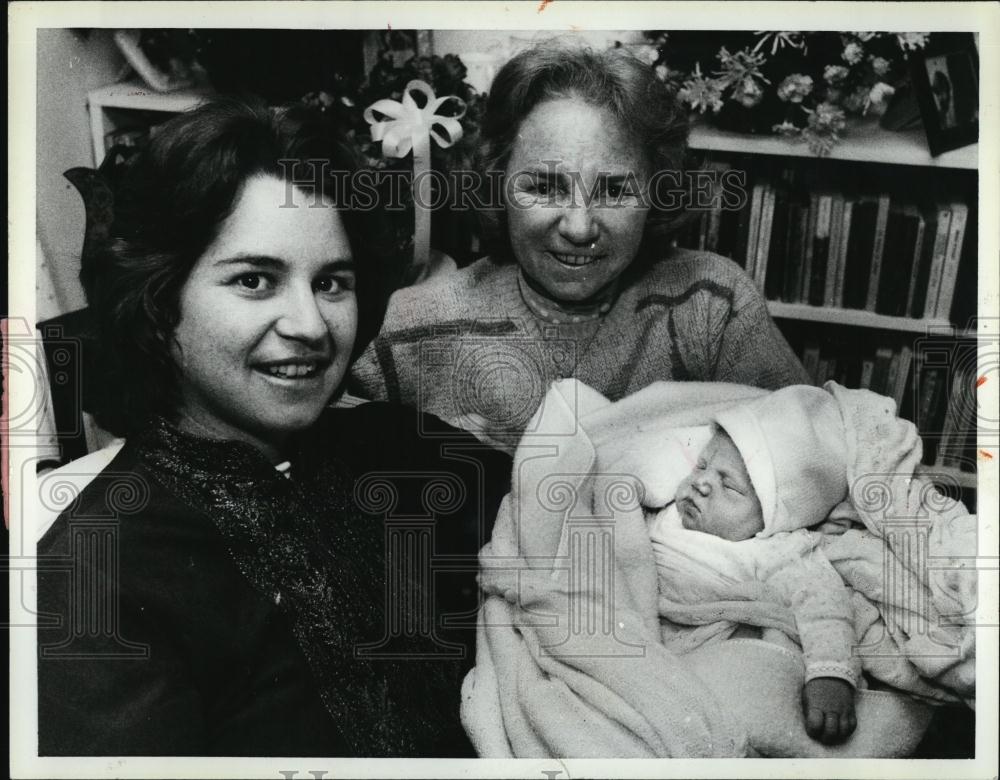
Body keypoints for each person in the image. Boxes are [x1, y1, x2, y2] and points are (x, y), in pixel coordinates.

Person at [36, 97, 511, 757]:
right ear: (158, 300)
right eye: (256, 280)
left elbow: (573, 509)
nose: (311, 325)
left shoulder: (395, 445)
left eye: (332, 283)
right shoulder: (96, 571)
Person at [350, 42, 808, 450]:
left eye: (614, 190)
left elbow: (815, 448)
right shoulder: (412, 327)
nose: (579, 227)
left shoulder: (711, 304)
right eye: (544, 188)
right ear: (496, 182)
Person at [646, 385, 859, 745]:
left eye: (730, 487)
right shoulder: (665, 513)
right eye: (702, 466)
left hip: (709, 653)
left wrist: (831, 674)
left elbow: (825, 607)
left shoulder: (776, 549)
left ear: (772, 518)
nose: (701, 483)